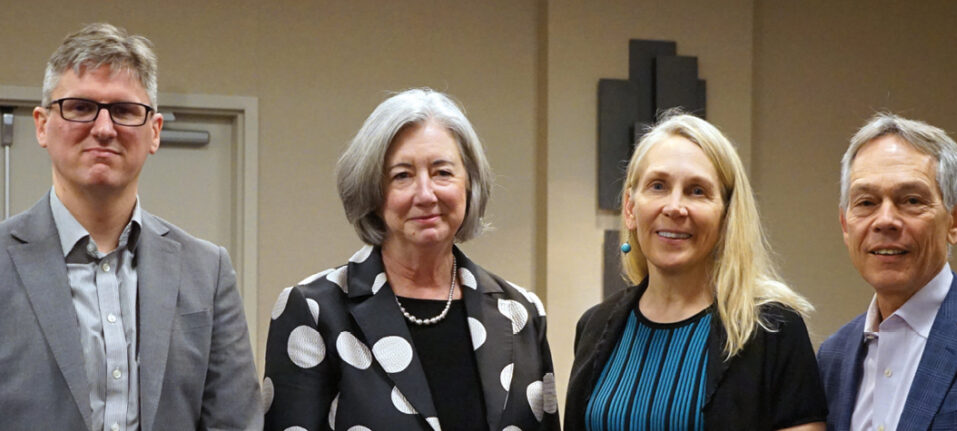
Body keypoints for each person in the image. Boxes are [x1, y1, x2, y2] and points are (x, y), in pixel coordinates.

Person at [0, 23, 262, 430]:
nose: (103, 129)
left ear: (154, 131)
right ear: (41, 125)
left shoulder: (207, 271)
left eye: (124, 111)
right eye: (80, 107)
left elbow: (234, 422)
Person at [263, 88, 558, 431]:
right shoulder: (315, 310)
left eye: (442, 172)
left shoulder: (521, 313)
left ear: (470, 184)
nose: (425, 194)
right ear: (373, 192)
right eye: (402, 175)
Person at [564, 112, 826, 431]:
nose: (675, 207)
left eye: (697, 191)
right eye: (658, 186)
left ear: (726, 216)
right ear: (631, 209)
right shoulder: (594, 326)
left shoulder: (773, 329)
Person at [817, 113, 957, 430]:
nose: (885, 220)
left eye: (911, 200)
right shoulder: (832, 357)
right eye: (867, 202)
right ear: (845, 224)